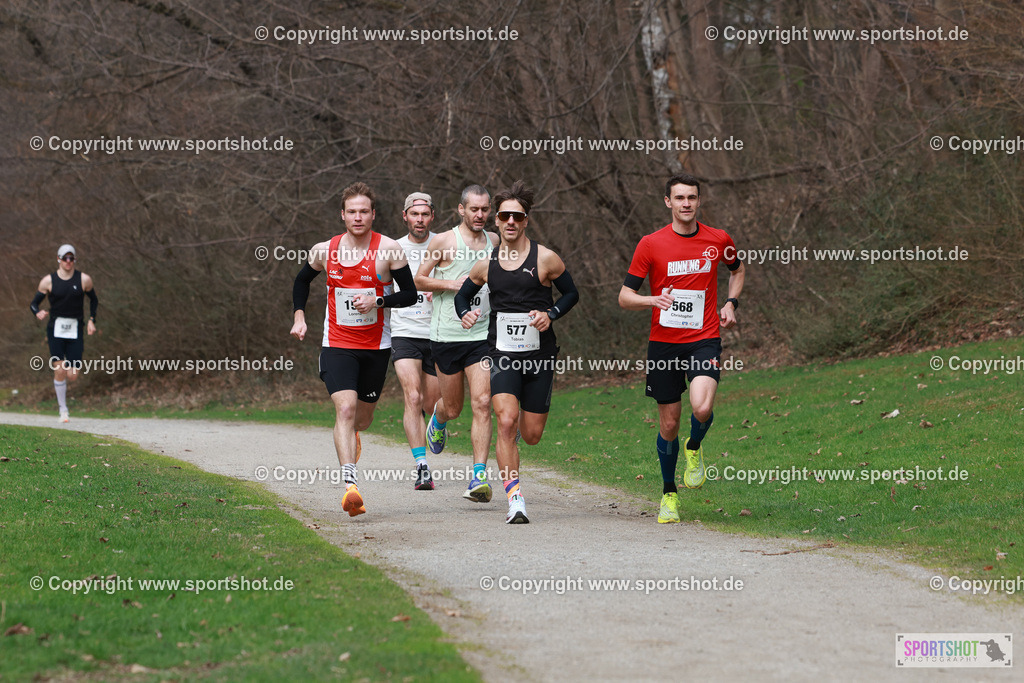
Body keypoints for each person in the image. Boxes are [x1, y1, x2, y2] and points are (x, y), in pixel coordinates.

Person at [618, 173, 745, 524]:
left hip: (704, 338)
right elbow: (624, 296)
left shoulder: (718, 239)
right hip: (663, 345)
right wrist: (651, 300)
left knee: (702, 407)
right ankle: (669, 494)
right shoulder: (650, 244)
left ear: (699, 201)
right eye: (679, 198)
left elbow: (737, 269)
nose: (686, 203)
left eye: (692, 197)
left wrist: (731, 303)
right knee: (669, 423)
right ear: (668, 202)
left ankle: (694, 447)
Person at [455, 180, 579, 523]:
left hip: (539, 357)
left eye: (517, 216)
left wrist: (550, 314)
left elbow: (571, 294)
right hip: (502, 354)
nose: (510, 222)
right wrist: (464, 313)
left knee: (531, 434)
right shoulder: (486, 264)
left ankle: (514, 451)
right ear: (496, 220)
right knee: (506, 422)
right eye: (504, 216)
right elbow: (462, 296)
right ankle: (515, 498)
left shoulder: (546, 259)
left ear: (526, 221)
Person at [291, 182, 417, 517]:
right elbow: (301, 281)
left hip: (376, 346)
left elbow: (410, 295)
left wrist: (378, 300)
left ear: (373, 214)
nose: (358, 217)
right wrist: (300, 316)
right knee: (345, 410)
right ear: (342, 215)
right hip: (337, 345)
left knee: (362, 417)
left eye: (364, 211)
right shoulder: (325, 250)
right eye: (352, 212)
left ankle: (354, 436)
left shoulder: (389, 250)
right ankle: (350, 486)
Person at [414, 185, 498, 503]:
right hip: (447, 337)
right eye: (474, 209)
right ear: (461, 210)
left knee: (482, 402)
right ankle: (438, 420)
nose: (480, 215)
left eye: (485, 209)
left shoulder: (495, 241)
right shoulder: (444, 241)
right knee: (454, 407)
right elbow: (419, 279)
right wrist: (452, 283)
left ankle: (478, 477)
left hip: (482, 337)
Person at [391, 192, 441, 490]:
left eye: (425, 214)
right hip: (404, 331)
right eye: (414, 214)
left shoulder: (444, 243)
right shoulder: (393, 248)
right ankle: (421, 466)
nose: (419, 220)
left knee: (434, 403)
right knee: (412, 397)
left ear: (431, 216)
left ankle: (439, 424)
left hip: (438, 331)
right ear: (405, 215)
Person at [30, 244, 99, 422]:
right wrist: (37, 312)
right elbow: (34, 304)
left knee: (73, 375)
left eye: (71, 258)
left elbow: (94, 300)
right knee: (59, 370)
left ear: (74, 259)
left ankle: (68, 368)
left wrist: (92, 320)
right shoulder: (48, 281)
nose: (68, 262)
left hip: (76, 329)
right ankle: (63, 410)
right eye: (65, 258)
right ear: (59, 259)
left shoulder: (84, 279)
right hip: (56, 329)